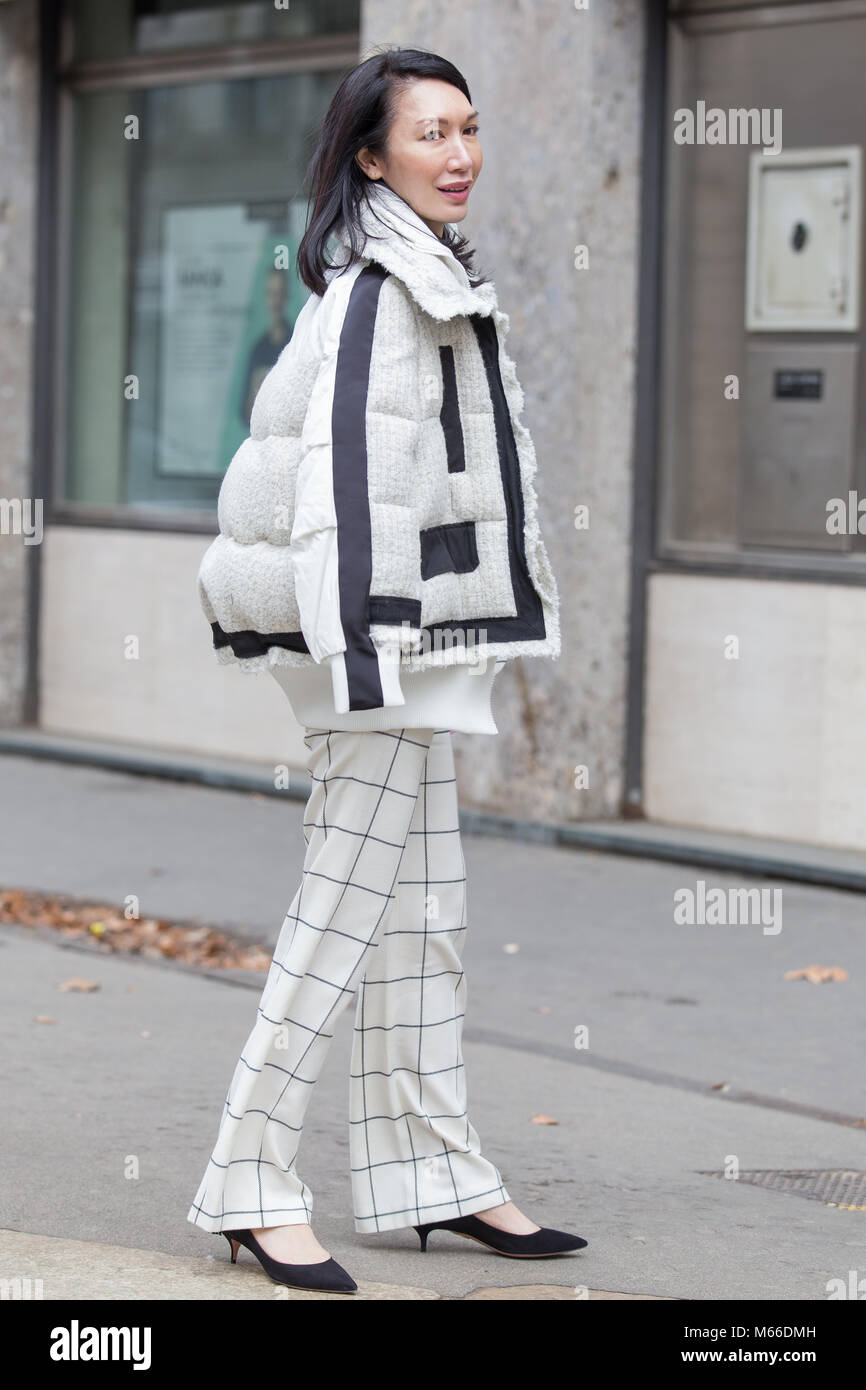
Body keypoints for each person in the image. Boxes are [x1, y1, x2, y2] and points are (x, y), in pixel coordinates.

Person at [187, 45, 586, 1295]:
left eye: (468, 129)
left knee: (421, 916)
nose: (460, 154)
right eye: (430, 135)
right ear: (371, 156)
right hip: (369, 635)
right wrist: (366, 651)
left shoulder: (423, 269)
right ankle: (249, 1185)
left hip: (403, 634)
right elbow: (347, 490)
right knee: (342, 912)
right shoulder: (376, 287)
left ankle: (432, 1176)